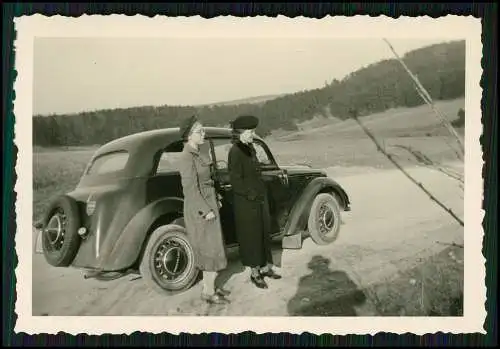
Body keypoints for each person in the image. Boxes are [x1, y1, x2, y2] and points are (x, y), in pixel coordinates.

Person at [177, 115, 230, 304]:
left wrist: (216, 199)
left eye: (203, 130)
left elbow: (208, 181)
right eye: (200, 131)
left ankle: (211, 286)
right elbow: (190, 189)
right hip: (200, 210)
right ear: (189, 135)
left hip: (209, 203)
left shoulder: (199, 152)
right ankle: (208, 292)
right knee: (209, 250)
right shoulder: (186, 157)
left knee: (214, 247)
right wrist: (205, 210)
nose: (204, 134)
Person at [227, 115, 282, 289]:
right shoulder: (235, 151)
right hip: (247, 202)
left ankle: (265, 267)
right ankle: (255, 273)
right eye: (250, 131)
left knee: (263, 234)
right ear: (241, 133)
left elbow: (254, 172)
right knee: (251, 237)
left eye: (253, 131)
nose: (253, 134)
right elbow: (236, 180)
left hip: (258, 199)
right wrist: (250, 194)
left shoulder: (249, 148)